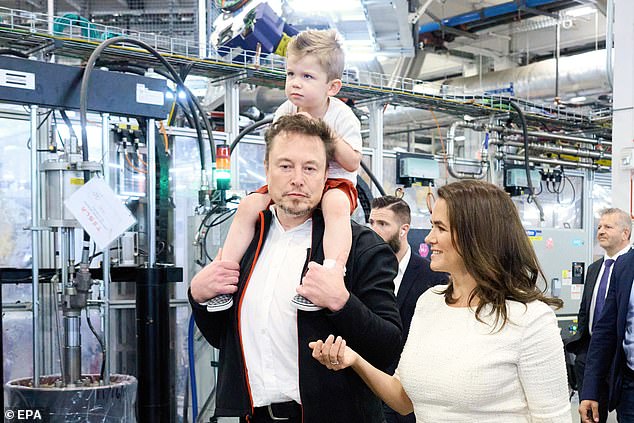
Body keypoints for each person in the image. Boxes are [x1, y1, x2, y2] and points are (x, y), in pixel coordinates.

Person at [189, 114, 402, 423]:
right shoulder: (248, 241)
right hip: (257, 416)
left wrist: (341, 302)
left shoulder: (361, 248)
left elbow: (389, 350)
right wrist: (199, 297)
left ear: (326, 174)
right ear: (266, 170)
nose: (298, 179)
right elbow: (224, 338)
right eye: (285, 166)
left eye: (310, 168)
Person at [309, 180, 571, 422]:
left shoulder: (531, 320)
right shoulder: (430, 302)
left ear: (477, 237)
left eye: (440, 228)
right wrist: (354, 359)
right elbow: (403, 400)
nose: (428, 238)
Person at [207, 29, 362, 312]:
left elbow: (352, 163)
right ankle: (224, 274)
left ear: (332, 87)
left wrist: (325, 132)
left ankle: (331, 271)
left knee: (335, 205)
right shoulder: (285, 111)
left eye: (307, 77)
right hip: (295, 180)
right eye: (291, 74)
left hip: (335, 182)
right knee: (249, 205)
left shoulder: (342, 116)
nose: (295, 84)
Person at [369, 195, 448, 423]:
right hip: (369, 391)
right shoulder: (361, 273)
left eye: (382, 224)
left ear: (403, 229)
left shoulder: (433, 277)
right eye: (371, 223)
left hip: (409, 400)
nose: (373, 231)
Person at [567, 208, 633, 423]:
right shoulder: (606, 268)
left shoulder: (622, 266)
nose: (601, 231)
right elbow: (595, 319)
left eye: (608, 226)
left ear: (626, 233)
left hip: (619, 361)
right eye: (599, 227)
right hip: (600, 359)